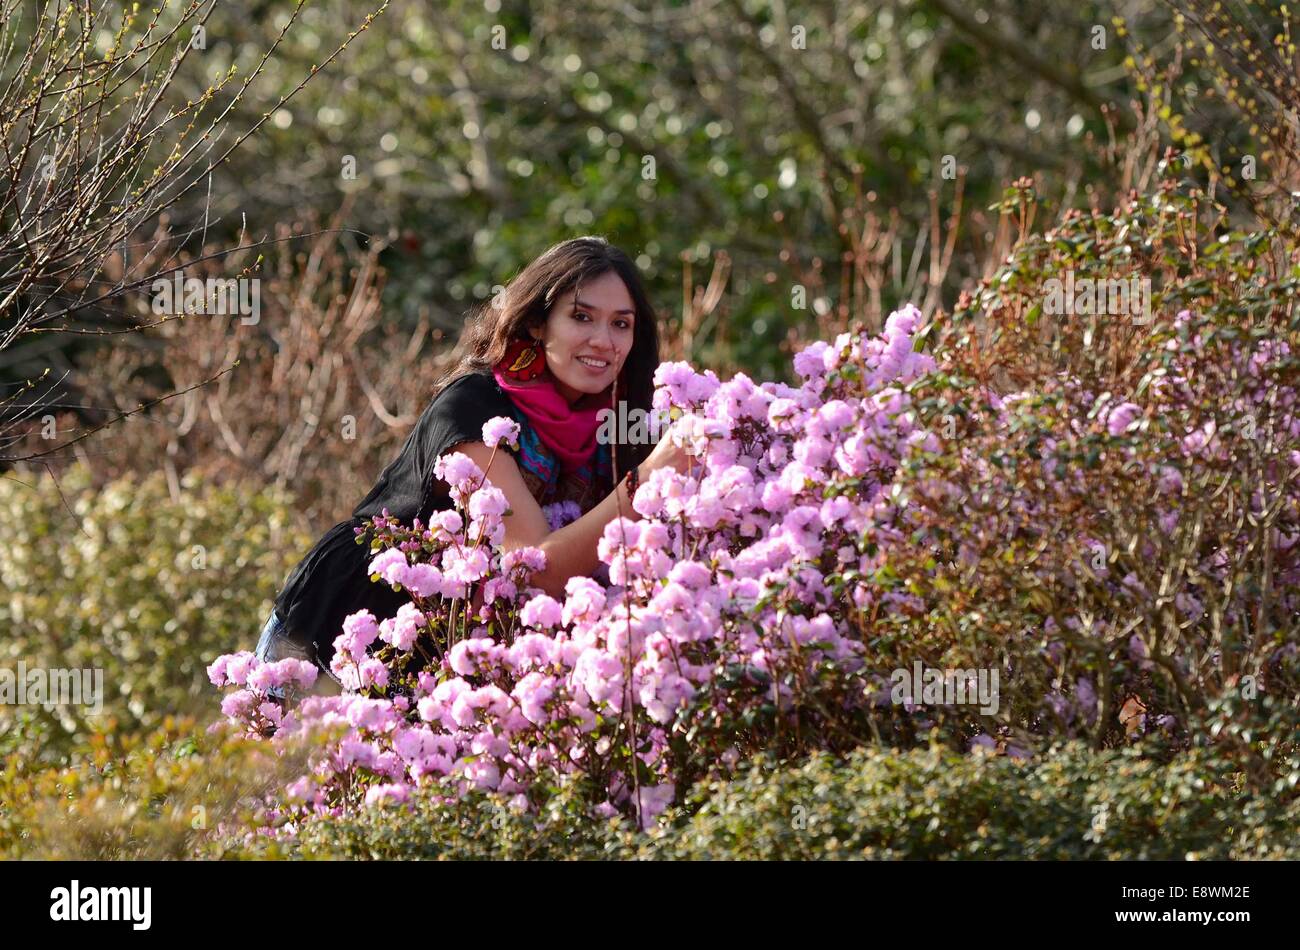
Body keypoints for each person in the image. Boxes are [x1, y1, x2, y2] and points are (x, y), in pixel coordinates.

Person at [253, 236, 691, 697]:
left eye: (621, 324)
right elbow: (534, 566)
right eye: (581, 317)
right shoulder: (475, 408)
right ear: (538, 323)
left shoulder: (619, 426)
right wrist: (649, 478)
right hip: (342, 630)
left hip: (453, 664)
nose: (603, 340)